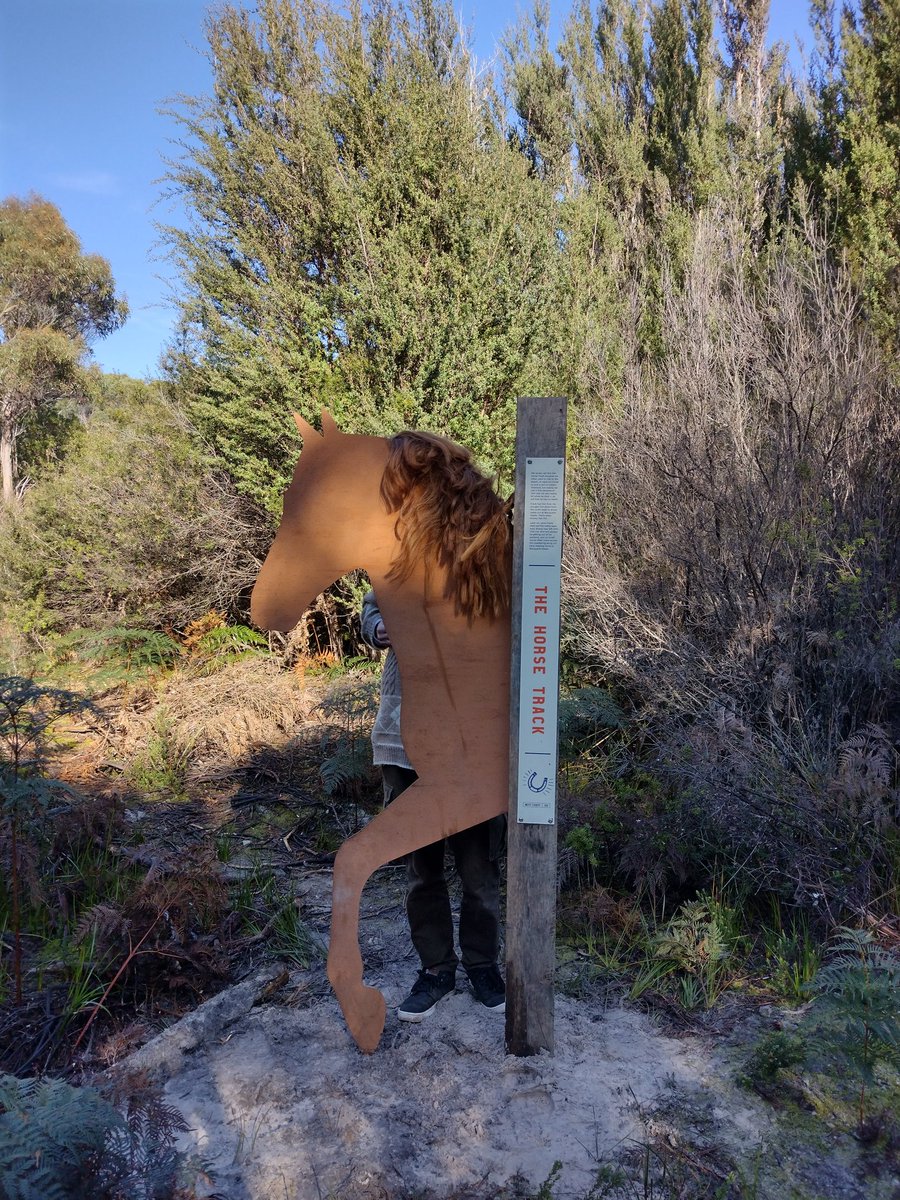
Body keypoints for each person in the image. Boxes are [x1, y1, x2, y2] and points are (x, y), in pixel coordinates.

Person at [360, 588, 507, 1022]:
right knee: (422, 869)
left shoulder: (483, 552)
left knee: (479, 867)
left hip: (470, 739)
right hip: (406, 738)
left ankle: (482, 966)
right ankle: (436, 970)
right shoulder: (399, 550)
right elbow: (373, 605)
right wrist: (376, 627)